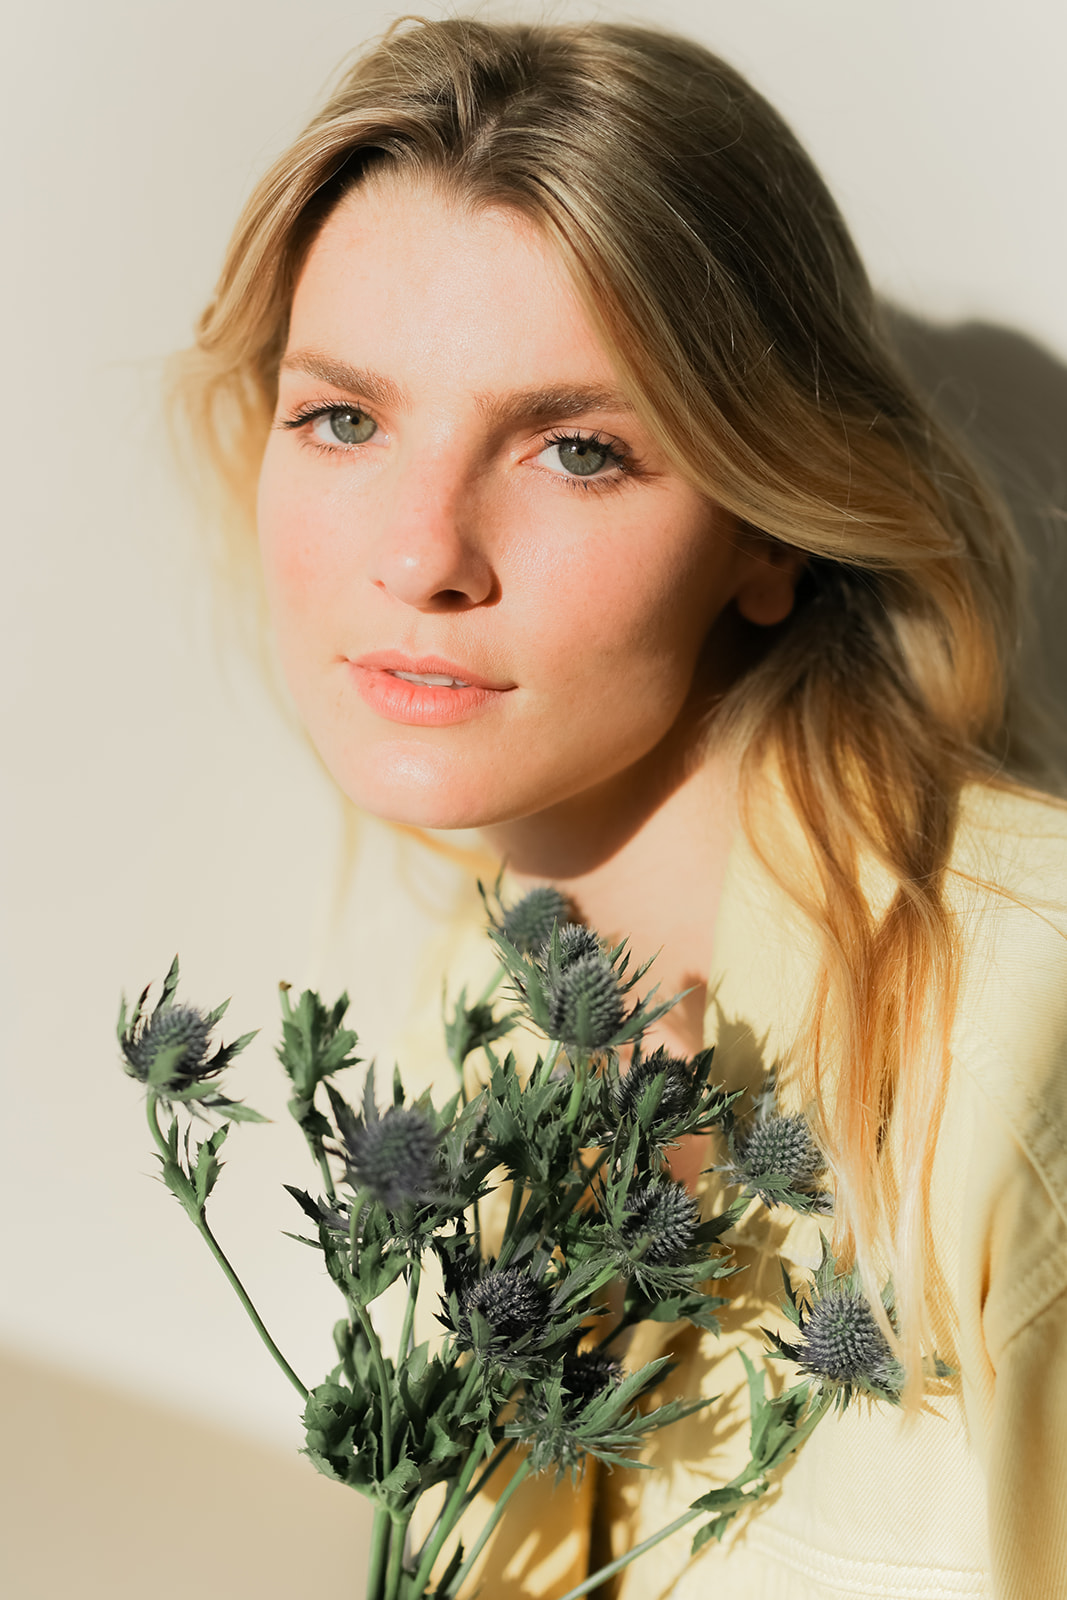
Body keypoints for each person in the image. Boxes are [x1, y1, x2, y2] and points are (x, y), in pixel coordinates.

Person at [176, 16, 1067, 1598]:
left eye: (578, 449)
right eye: (346, 420)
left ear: (769, 525)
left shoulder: (1033, 1022)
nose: (423, 553)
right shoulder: (489, 987)